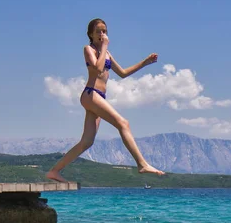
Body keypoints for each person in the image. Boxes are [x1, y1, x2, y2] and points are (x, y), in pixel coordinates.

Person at [46, 18, 165, 183]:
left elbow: (122, 73)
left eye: (104, 31)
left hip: (99, 96)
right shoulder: (89, 49)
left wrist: (145, 63)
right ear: (90, 34)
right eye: (98, 31)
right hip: (91, 93)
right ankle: (142, 164)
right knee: (123, 123)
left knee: (86, 142)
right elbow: (97, 68)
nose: (102, 34)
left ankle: (54, 171)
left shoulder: (106, 53)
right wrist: (104, 47)